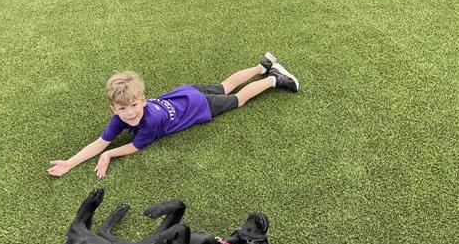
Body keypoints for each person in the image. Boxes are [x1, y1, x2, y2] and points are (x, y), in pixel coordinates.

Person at [47, 53, 299, 178]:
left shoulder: (150, 121)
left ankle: (274, 79)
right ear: (114, 109)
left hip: (196, 107)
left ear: (143, 100)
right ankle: (262, 66)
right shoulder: (121, 119)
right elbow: (100, 142)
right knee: (223, 85)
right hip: (184, 94)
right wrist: (70, 162)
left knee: (237, 99)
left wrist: (110, 153)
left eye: (134, 105)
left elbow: (135, 146)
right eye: (122, 109)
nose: (130, 113)